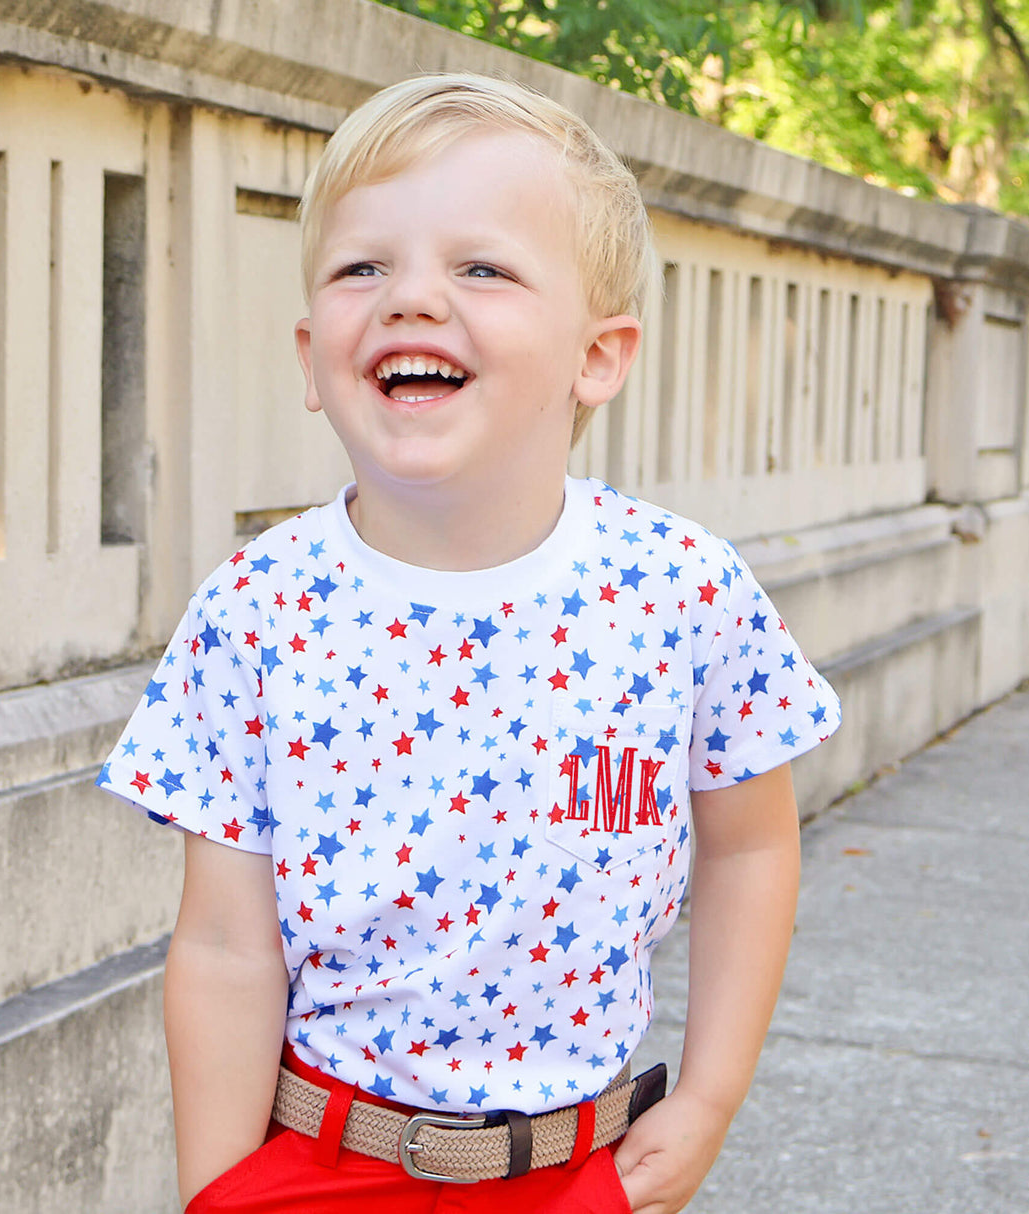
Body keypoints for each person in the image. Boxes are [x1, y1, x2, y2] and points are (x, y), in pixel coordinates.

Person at [98, 72, 840, 1214]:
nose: (410, 298)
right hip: (317, 1158)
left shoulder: (681, 592)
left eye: (479, 267)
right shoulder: (256, 608)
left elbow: (746, 848)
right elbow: (224, 943)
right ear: (311, 352)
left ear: (597, 355)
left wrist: (707, 1095)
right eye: (362, 267)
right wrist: (219, 1186)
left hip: (580, 1169)